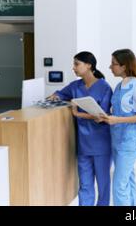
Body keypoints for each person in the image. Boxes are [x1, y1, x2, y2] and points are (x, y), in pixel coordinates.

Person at [48, 51, 112, 206]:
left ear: (89, 65)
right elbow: (60, 94)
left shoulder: (104, 87)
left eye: (77, 64)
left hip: (101, 144)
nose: (73, 68)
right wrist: (54, 96)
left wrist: (78, 114)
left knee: (103, 185)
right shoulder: (75, 86)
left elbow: (102, 116)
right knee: (85, 185)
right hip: (83, 145)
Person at [98, 49, 136, 206]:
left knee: (119, 185)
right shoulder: (120, 85)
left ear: (124, 66)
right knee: (128, 179)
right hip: (116, 140)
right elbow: (118, 112)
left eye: (113, 64)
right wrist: (105, 117)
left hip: (128, 142)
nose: (110, 67)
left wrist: (117, 120)